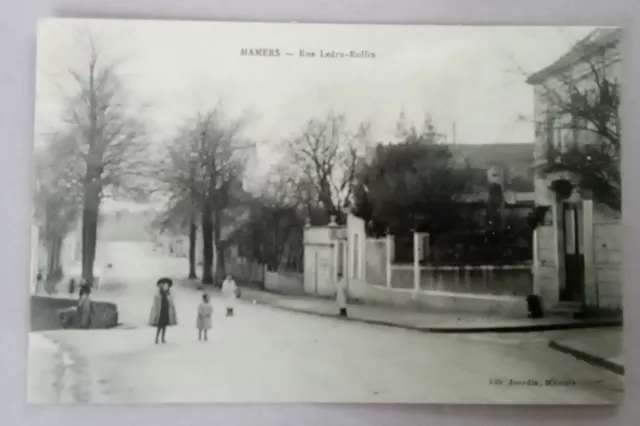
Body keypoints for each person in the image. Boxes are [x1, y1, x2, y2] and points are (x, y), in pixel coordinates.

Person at [149, 277, 178, 344]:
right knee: (160, 325)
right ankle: (156, 338)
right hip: (160, 311)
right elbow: (156, 303)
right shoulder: (158, 293)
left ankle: (163, 338)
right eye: (164, 285)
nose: (166, 287)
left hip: (166, 311)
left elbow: (171, 302)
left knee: (164, 325)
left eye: (167, 286)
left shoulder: (169, 293)